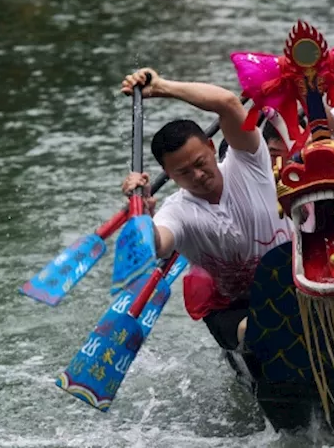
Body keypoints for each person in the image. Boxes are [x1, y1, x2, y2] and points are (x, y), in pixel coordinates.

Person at [118, 68, 285, 354]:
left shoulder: (248, 162)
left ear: (211, 147)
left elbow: (228, 103)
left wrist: (162, 87)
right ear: (167, 174)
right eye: (183, 172)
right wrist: (141, 214)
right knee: (262, 329)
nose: (197, 175)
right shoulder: (177, 212)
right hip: (234, 309)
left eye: (200, 163)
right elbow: (156, 246)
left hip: (291, 285)